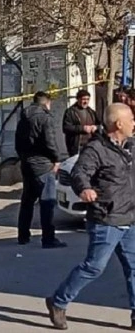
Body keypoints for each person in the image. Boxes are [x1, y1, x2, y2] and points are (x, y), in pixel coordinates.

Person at [46, 103, 135, 330]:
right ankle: (58, 301)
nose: (134, 123)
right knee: (94, 266)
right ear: (119, 123)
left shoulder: (130, 147)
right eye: (132, 119)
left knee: (134, 267)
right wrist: (84, 188)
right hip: (107, 217)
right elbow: (80, 172)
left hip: (129, 216)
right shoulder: (96, 149)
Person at [15, 91, 68, 249]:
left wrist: (24, 158)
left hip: (27, 164)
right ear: (47, 103)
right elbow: (50, 142)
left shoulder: (24, 117)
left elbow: (18, 142)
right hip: (43, 165)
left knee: (27, 201)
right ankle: (48, 238)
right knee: (47, 202)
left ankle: (23, 235)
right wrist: (57, 159)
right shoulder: (45, 118)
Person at [62, 89, 99, 157]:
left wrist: (96, 127)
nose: (86, 101)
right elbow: (66, 127)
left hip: (90, 146)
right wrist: (82, 128)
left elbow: (99, 125)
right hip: (77, 147)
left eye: (88, 99)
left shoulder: (91, 112)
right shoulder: (70, 112)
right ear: (78, 99)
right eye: (84, 99)